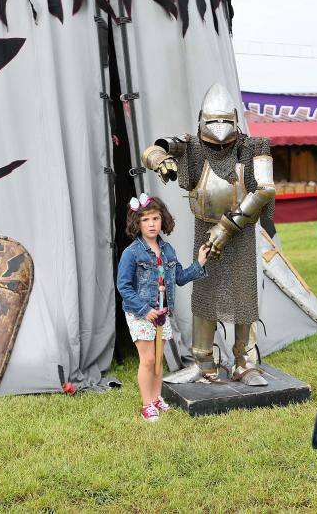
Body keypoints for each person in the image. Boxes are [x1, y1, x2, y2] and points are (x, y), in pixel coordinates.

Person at [139, 83, 275, 386]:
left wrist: (226, 228)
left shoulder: (253, 147)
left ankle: (245, 362)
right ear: (202, 119)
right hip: (204, 232)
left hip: (239, 233)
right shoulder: (191, 146)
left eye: (226, 120)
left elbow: (264, 190)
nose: (220, 127)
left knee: (243, 296)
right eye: (214, 120)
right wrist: (162, 161)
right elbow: (152, 150)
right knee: (205, 295)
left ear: (235, 118)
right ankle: (203, 363)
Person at [116, 193, 209, 422]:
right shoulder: (131, 253)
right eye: (145, 219)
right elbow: (123, 286)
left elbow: (179, 277)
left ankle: (157, 398)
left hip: (163, 313)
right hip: (141, 314)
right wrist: (144, 310)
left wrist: (200, 263)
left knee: (158, 359)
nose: (151, 224)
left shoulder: (167, 250)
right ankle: (147, 404)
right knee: (147, 360)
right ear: (137, 223)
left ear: (162, 220)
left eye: (155, 218)